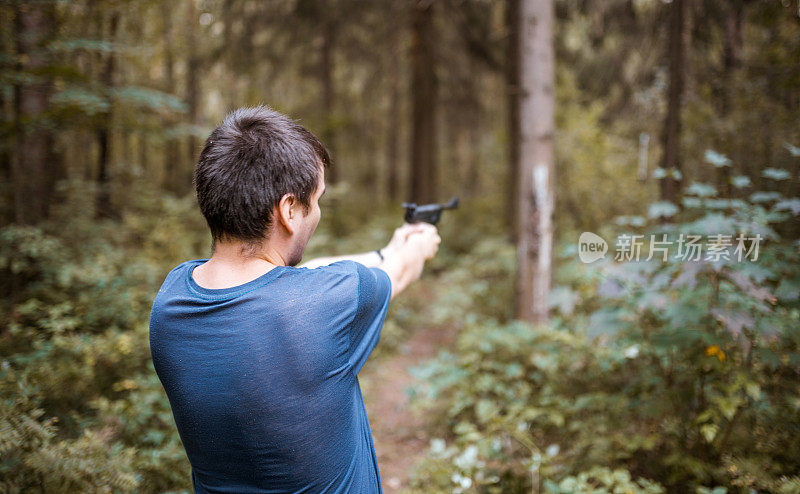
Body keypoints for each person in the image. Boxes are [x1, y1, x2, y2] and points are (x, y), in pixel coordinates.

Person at [148, 105, 441, 494]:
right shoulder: (328, 304)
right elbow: (401, 270)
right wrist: (416, 245)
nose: (316, 211)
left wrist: (385, 249)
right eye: (314, 200)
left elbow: (285, 280)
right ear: (288, 210)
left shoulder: (171, 303)